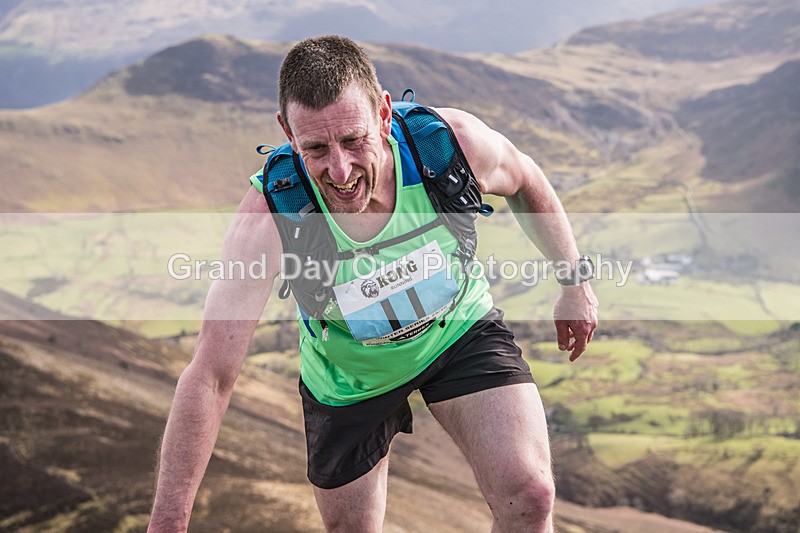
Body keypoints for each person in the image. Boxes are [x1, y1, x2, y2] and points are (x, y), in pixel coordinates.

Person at [148, 35, 598, 533]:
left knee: (531, 497)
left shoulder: (449, 145)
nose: (340, 170)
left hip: (458, 330)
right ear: (287, 132)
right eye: (315, 147)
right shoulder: (273, 214)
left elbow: (526, 177)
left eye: (354, 140)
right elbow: (211, 374)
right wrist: (169, 521)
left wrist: (573, 281)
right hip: (348, 379)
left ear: (384, 114)